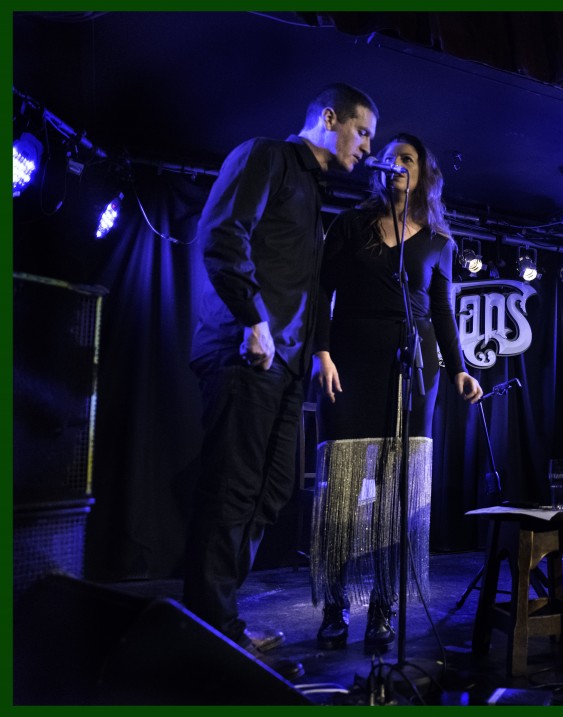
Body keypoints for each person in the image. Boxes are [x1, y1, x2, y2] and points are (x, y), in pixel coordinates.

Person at [184, 83, 379, 678]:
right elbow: (222, 236)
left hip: (288, 366)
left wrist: (316, 350)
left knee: (268, 494)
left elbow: (307, 285)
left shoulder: (313, 193)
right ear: (329, 119)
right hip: (248, 354)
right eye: (363, 132)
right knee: (231, 492)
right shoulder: (266, 156)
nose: (368, 148)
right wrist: (253, 320)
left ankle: (222, 621)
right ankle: (209, 633)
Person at [309, 132, 483, 652]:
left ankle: (383, 606)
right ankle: (335, 607)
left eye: (406, 158)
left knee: (395, 493)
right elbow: (321, 288)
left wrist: (458, 368)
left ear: (424, 173)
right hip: (348, 364)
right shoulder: (351, 224)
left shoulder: (438, 242)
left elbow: (444, 313)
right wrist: (321, 352)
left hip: (410, 369)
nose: (395, 164)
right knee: (342, 490)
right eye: (388, 158)